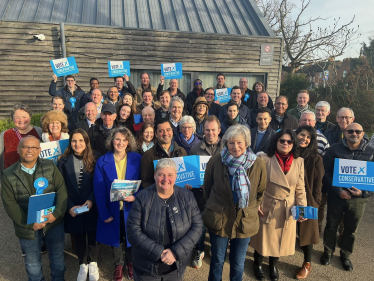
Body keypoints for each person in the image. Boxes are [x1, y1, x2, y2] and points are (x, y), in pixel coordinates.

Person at [203, 124, 267, 281]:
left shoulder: (257, 163)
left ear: (246, 143)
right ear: (225, 143)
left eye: (239, 142)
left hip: (244, 220)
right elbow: (208, 188)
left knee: (238, 263)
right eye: (231, 143)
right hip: (219, 217)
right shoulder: (216, 161)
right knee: (217, 261)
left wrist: (252, 206)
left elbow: (260, 190)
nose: (235, 147)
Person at [1, 136, 67, 281]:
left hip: (53, 222)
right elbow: (10, 204)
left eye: (34, 147)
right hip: (26, 226)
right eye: (26, 147)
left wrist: (56, 214)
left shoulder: (50, 166)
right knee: (32, 264)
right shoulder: (8, 175)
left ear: (39, 150)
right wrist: (30, 223)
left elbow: (62, 190)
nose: (30, 150)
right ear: (19, 150)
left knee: (57, 257)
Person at [127, 158, 203, 280]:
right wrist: (158, 252)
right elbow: (133, 231)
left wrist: (175, 252)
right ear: (155, 175)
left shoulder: (187, 197)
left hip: (176, 266)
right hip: (146, 268)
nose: (165, 179)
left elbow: (197, 226)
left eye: (170, 175)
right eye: (161, 174)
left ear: (176, 176)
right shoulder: (142, 197)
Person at [250, 129, 307, 281]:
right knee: (262, 238)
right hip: (268, 204)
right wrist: (256, 203)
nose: (285, 144)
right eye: (282, 140)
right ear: (276, 141)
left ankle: (273, 264)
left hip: (287, 207)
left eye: (289, 141)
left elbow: (300, 188)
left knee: (279, 240)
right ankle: (258, 264)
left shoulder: (299, 162)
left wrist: (302, 209)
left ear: (293, 144)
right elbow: (255, 184)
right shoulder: (263, 158)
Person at [321, 123, 374, 272]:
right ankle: (328, 252)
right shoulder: (334, 149)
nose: (354, 134)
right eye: (350, 131)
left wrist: (363, 193)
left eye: (358, 131)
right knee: (331, 226)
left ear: (363, 134)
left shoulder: (371, 152)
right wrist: (338, 191)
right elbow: (325, 173)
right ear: (345, 133)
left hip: (358, 199)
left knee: (351, 229)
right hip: (337, 196)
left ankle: (345, 255)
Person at [94, 127, 142, 280]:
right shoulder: (103, 161)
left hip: (132, 208)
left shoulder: (137, 159)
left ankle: (130, 263)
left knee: (131, 236)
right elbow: (99, 189)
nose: (120, 143)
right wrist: (104, 212)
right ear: (112, 141)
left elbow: (145, 183)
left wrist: (137, 197)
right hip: (113, 208)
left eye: (124, 140)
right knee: (116, 238)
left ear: (129, 142)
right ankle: (118, 265)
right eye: (117, 139)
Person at [58, 129, 100, 281]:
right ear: (70, 142)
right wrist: (69, 205)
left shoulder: (96, 158)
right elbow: (60, 186)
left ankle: (93, 262)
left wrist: (91, 200)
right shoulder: (63, 161)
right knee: (78, 236)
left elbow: (99, 183)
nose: (77, 144)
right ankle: (82, 264)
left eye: (81, 140)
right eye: (74, 141)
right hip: (74, 206)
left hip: (91, 204)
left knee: (93, 235)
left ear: (86, 142)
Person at [188, 115, 224, 269]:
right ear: (203, 131)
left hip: (220, 195)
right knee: (201, 224)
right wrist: (190, 183)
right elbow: (191, 172)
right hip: (200, 194)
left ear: (219, 130)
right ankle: (200, 249)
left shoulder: (227, 148)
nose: (210, 133)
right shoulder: (195, 149)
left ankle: (215, 250)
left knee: (218, 224)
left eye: (213, 130)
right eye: (207, 130)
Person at [294, 125, 324, 280]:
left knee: (305, 230)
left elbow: (318, 184)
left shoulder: (315, 158)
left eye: (308, 137)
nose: (304, 139)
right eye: (301, 135)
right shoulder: (289, 152)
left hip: (306, 200)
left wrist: (316, 203)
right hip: (288, 198)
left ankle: (307, 263)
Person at [141, 119, 187, 188]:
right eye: (161, 131)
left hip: (179, 195)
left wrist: (187, 185)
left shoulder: (181, 151)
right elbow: (145, 182)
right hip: (158, 196)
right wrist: (160, 189)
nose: (165, 133)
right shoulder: (148, 155)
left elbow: (187, 177)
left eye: (168, 130)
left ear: (172, 131)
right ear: (156, 134)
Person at [0, 104, 42, 173]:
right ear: (12, 118)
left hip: (36, 177)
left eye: (24, 117)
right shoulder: (5, 134)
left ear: (30, 117)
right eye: (17, 117)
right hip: (12, 178)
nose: (21, 120)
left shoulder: (39, 132)